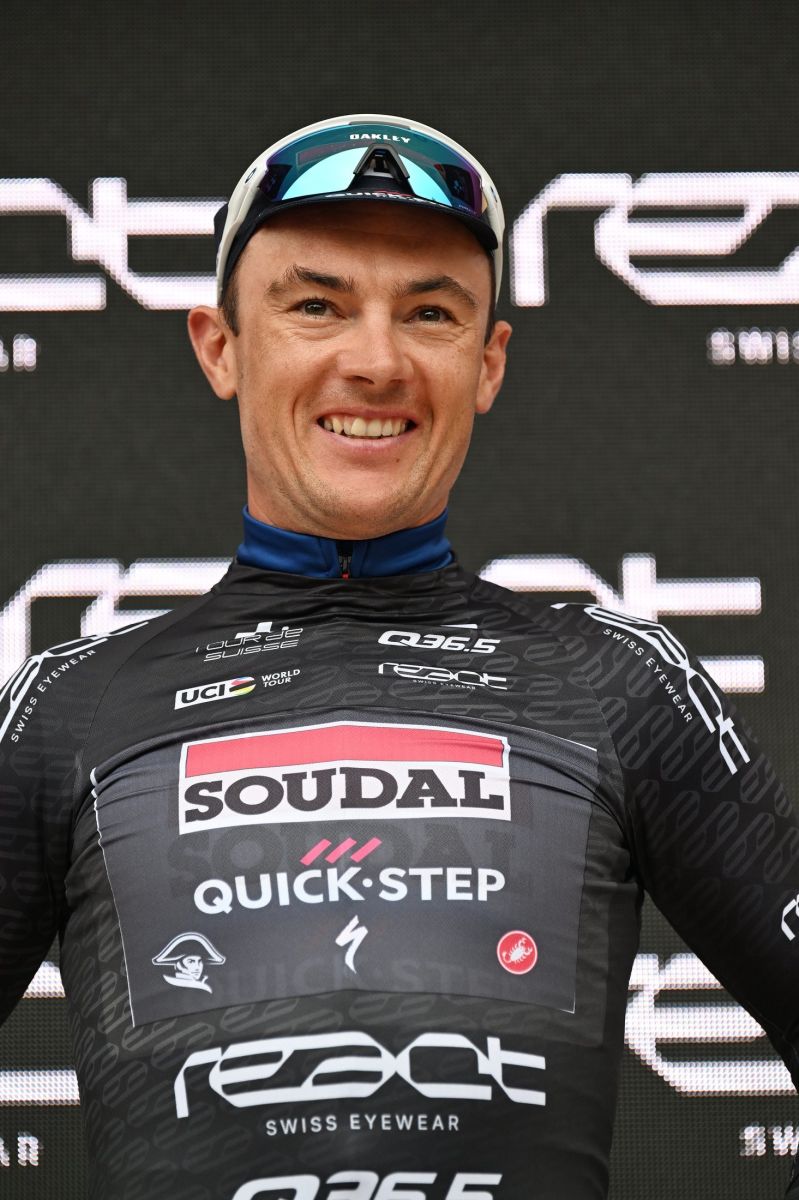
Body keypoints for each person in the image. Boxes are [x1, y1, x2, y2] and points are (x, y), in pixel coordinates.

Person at [0, 113, 797, 1200]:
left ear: (487, 362)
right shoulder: (72, 709)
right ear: (220, 347)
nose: (375, 362)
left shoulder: (614, 685)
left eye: (430, 312)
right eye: (316, 305)